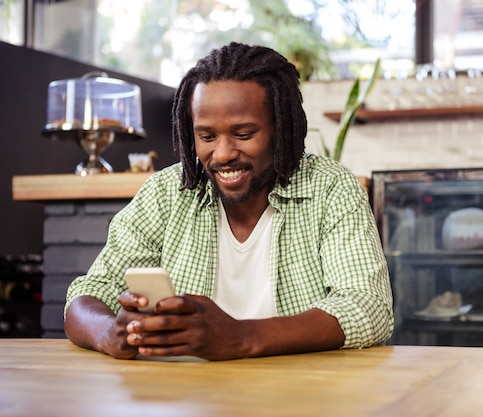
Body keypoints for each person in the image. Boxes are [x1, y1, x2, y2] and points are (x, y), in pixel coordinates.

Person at [64, 42, 394, 361]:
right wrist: (109, 332)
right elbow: (87, 293)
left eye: (243, 134)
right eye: (207, 137)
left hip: (299, 395)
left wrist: (240, 338)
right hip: (184, 396)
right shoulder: (166, 193)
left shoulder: (331, 189)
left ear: (281, 128)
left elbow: (368, 306)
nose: (222, 154)